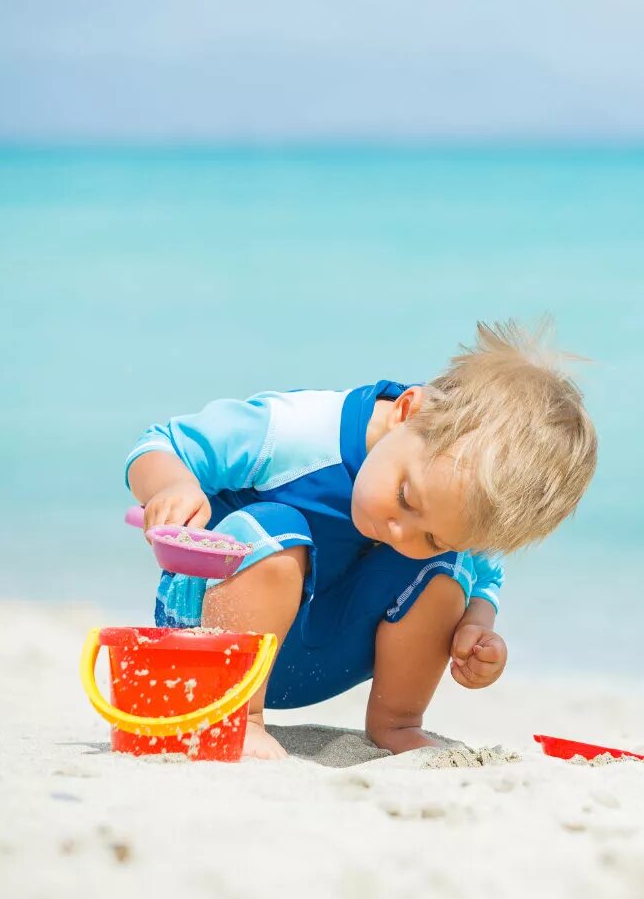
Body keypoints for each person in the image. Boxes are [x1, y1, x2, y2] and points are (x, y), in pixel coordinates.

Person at [123, 320, 597, 759]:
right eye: (406, 497)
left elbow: (483, 575)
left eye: (431, 534)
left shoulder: (448, 508)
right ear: (407, 412)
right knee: (276, 525)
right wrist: (172, 487)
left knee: (446, 572)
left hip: (325, 661)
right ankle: (239, 718)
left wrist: (476, 625)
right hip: (213, 639)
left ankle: (398, 723)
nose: (398, 531)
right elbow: (162, 443)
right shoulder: (298, 432)